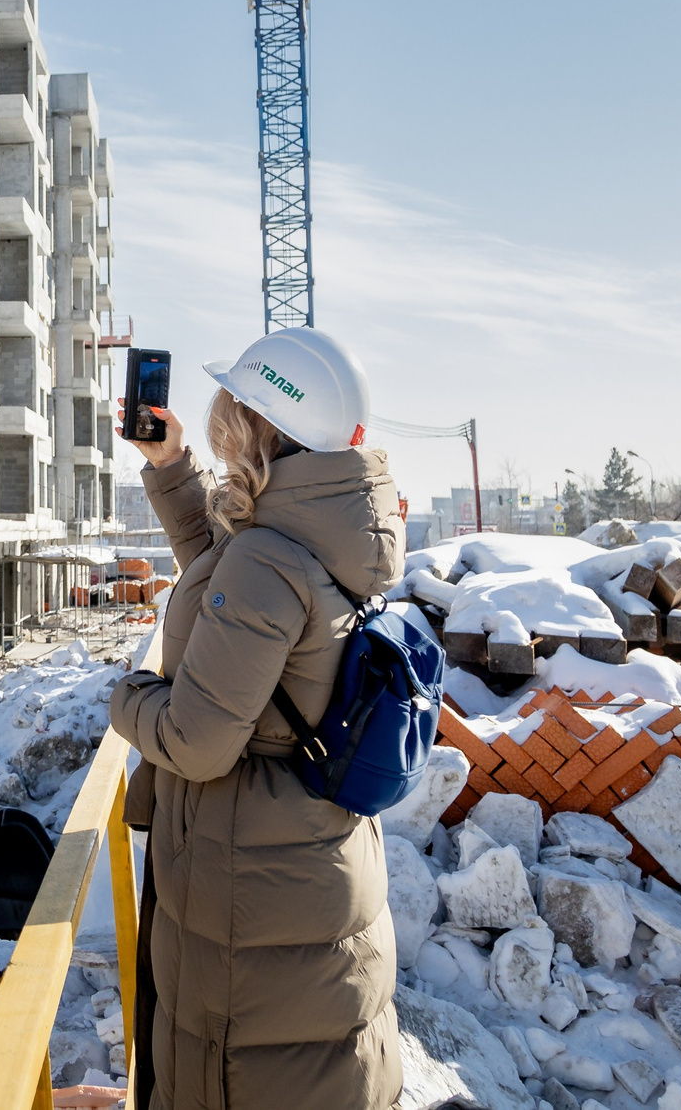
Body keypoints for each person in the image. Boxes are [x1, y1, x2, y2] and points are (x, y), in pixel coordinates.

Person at [109, 326, 406, 1109]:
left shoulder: (270, 558)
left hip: (252, 907)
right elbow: (227, 572)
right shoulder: (324, 532)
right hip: (303, 881)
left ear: (259, 428)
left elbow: (193, 740)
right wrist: (172, 468)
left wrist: (126, 695)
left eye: (231, 410)